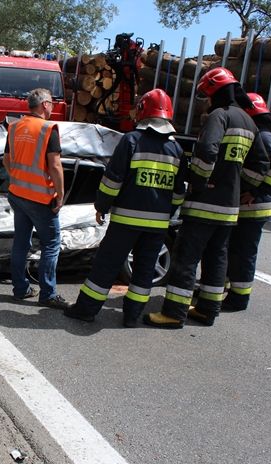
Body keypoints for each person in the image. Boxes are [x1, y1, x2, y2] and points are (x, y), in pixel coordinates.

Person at [144, 67, 270, 329]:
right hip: (230, 207)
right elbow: (261, 165)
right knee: (216, 258)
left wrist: (200, 183)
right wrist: (243, 187)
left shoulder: (218, 116)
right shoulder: (248, 121)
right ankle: (208, 310)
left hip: (204, 204)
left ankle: (174, 313)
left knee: (186, 258)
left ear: (213, 91)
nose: (207, 100)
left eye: (206, 94)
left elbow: (206, 151)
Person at [64, 89, 187, 326]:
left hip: (126, 222)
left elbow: (113, 180)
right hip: (158, 225)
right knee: (144, 270)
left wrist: (101, 205)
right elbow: (179, 191)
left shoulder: (131, 140)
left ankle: (86, 310)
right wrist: (166, 214)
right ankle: (132, 317)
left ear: (142, 112)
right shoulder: (176, 150)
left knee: (106, 265)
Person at [3, 88, 69, 309]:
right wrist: (60, 195)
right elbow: (55, 165)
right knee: (51, 244)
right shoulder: (48, 129)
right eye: (51, 103)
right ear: (44, 105)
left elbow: (6, 159)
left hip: (17, 193)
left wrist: (17, 177)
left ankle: (20, 289)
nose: (52, 107)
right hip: (40, 198)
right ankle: (48, 294)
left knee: (21, 242)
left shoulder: (14, 126)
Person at [223, 93, 271, 311]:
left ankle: (238, 298)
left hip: (255, 206)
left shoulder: (265, 137)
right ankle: (221, 287)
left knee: (243, 253)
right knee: (232, 249)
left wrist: (257, 192)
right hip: (246, 205)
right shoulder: (259, 134)